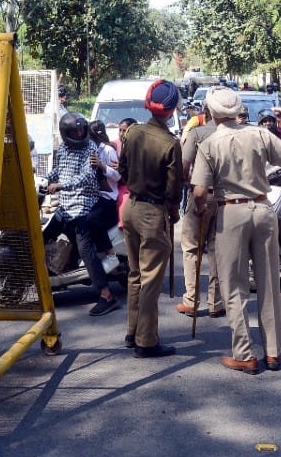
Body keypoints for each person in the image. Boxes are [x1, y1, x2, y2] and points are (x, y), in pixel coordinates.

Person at [192, 88, 281, 374]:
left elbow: (199, 192)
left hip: (230, 212)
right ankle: (273, 352)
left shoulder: (208, 144)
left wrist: (201, 210)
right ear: (237, 111)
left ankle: (245, 354)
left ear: (211, 113)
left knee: (234, 287)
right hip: (262, 209)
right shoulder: (258, 134)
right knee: (270, 282)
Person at [118, 80, 183, 357]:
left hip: (130, 207)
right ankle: (146, 341)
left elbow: (122, 168)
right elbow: (174, 188)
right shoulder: (170, 143)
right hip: (152, 212)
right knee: (150, 279)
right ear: (171, 110)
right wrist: (172, 209)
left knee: (135, 275)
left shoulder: (131, 132)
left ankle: (132, 332)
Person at [46, 114, 117, 316]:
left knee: (86, 249)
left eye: (81, 130)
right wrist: (42, 179)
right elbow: (57, 171)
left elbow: (87, 176)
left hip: (84, 207)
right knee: (44, 234)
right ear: (66, 134)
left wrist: (61, 185)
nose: (79, 134)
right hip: (65, 206)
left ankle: (106, 296)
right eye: (74, 132)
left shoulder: (91, 149)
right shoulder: (62, 149)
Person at [176, 100, 223, 319]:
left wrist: (189, 185)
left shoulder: (197, 133)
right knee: (216, 249)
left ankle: (191, 300)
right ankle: (216, 302)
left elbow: (184, 168)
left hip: (200, 194)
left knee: (192, 248)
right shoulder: (238, 134)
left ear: (206, 113)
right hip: (227, 198)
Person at [87, 120, 122, 275]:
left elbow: (117, 175)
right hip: (92, 195)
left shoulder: (108, 150)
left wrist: (102, 166)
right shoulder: (88, 150)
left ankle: (110, 254)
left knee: (92, 219)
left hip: (107, 197)